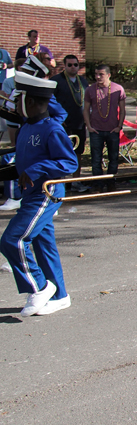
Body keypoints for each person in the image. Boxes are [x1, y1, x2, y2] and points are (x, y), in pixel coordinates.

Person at [0, 71, 78, 316]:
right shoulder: (26, 127)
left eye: (18, 98)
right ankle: (60, 295)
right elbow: (22, 165)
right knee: (45, 245)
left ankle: (40, 286)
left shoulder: (51, 129)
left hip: (46, 193)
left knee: (13, 239)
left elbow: (69, 162)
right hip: (30, 193)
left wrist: (37, 169)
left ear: (30, 102)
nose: (14, 103)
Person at [83, 64, 126, 191]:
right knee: (96, 159)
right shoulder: (90, 90)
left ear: (108, 75)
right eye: (96, 74)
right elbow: (85, 110)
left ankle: (111, 182)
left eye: (101, 74)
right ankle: (98, 184)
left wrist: (119, 126)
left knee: (113, 158)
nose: (97, 77)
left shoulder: (118, 89)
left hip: (112, 129)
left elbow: (122, 110)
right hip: (96, 129)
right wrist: (89, 126)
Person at [53, 55, 90, 191]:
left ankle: (76, 181)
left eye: (75, 65)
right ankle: (60, 183)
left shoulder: (83, 81)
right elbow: (51, 102)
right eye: (70, 65)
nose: (73, 67)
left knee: (78, 152)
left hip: (80, 123)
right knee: (62, 152)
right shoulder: (57, 81)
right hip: (63, 124)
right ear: (65, 66)